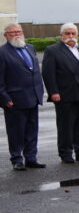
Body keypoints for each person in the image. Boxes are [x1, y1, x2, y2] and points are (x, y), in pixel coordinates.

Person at [41, 23, 79, 163]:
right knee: (66, 125)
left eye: (73, 33)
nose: (70, 36)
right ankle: (66, 152)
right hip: (65, 94)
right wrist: (53, 92)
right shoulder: (53, 51)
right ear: (61, 35)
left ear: (77, 35)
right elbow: (48, 73)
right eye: (67, 33)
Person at [0, 23, 46, 170]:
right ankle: (17, 159)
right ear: (5, 35)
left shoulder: (30, 48)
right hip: (14, 100)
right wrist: (5, 99)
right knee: (16, 132)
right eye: (12, 32)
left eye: (19, 31)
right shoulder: (2, 52)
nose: (17, 34)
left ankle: (31, 158)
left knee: (32, 130)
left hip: (33, 97)